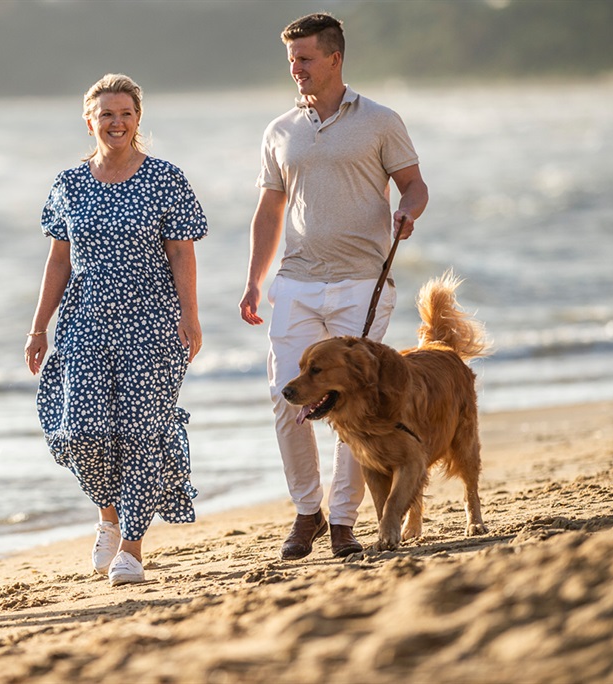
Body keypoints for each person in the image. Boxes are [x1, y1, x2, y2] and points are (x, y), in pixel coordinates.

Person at [239, 13, 429, 561]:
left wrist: (408, 212)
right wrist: (254, 280)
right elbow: (269, 209)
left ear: (334, 58)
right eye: (291, 60)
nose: (296, 69)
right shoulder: (279, 130)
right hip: (296, 282)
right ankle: (307, 512)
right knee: (286, 398)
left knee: (357, 404)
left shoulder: (379, 120)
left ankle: (344, 521)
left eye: (305, 58)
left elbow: (413, 184)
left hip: (361, 281)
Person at [25, 73, 207, 586]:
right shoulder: (69, 184)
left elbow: (181, 252)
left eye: (125, 113)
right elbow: (58, 260)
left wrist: (189, 316)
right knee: (82, 431)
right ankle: (107, 514)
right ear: (90, 122)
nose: (117, 122)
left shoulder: (165, 178)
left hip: (152, 324)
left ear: (138, 119)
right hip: (84, 323)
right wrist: (39, 328)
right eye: (107, 114)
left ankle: (131, 547)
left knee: (144, 432)